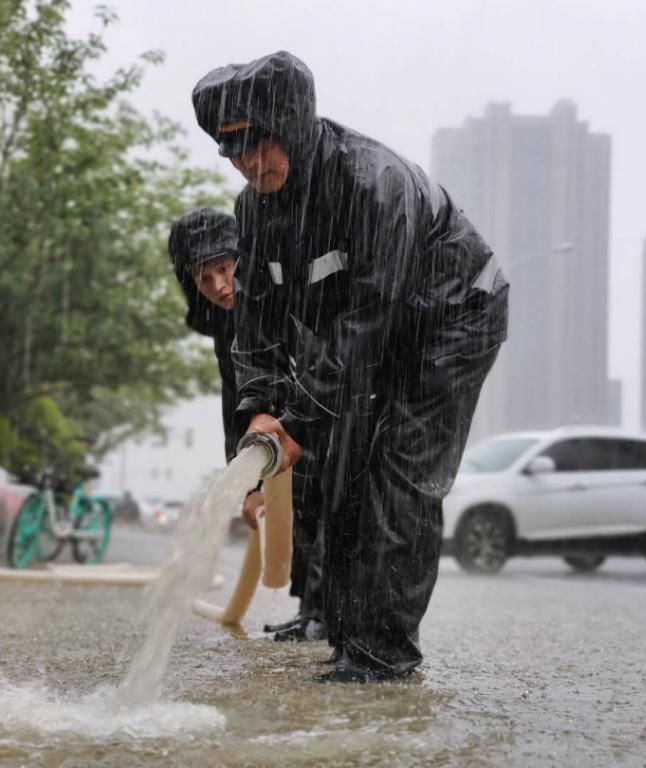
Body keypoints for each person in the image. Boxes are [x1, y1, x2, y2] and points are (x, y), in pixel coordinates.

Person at [192, 52, 509, 682]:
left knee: (397, 473)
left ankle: (382, 655)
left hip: (452, 320)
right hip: (371, 328)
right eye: (232, 153)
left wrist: (300, 419)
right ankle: (344, 631)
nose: (249, 164)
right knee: (337, 468)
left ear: (295, 126)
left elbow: (367, 320)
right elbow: (256, 327)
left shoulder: (372, 185)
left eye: (260, 145)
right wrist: (257, 414)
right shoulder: (255, 210)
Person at [167, 208, 325, 641]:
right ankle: (312, 609)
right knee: (295, 510)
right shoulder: (225, 321)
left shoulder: (277, 292)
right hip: (276, 426)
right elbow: (233, 399)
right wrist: (247, 484)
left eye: (224, 268)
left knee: (321, 498)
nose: (219, 287)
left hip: (318, 409)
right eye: (204, 279)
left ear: (243, 259)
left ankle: (330, 612)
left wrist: (299, 420)